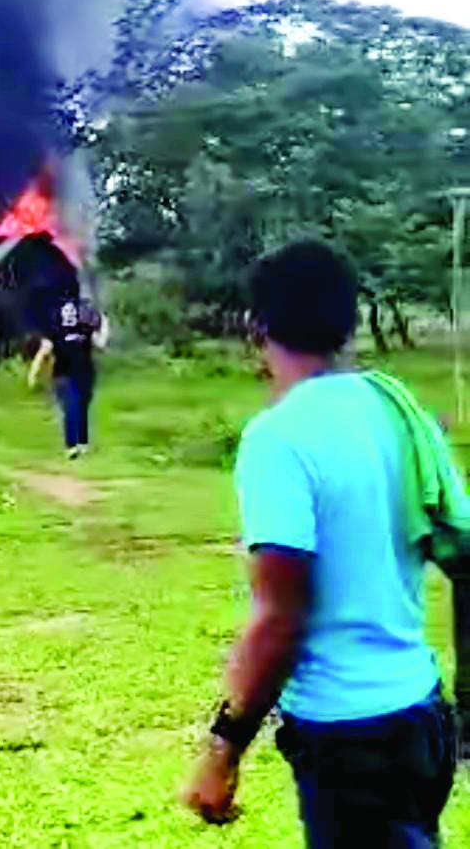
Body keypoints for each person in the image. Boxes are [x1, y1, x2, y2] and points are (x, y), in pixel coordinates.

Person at [184, 240, 458, 845]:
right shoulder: (400, 410)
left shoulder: (277, 440)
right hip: (423, 718)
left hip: (349, 741)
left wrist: (223, 748)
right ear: (350, 321)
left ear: (258, 326)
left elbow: (281, 618)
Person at [28, 290, 106, 459]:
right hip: (63, 376)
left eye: (72, 312)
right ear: (62, 315)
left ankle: (83, 443)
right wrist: (33, 374)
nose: (70, 315)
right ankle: (71, 446)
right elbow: (42, 354)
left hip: (85, 375)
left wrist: (104, 324)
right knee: (72, 406)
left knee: (82, 408)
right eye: (66, 312)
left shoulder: (85, 329)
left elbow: (101, 344)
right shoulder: (55, 333)